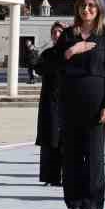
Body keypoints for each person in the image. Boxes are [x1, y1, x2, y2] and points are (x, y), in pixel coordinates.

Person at [58, 0, 105, 209]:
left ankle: (92, 202)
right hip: (70, 102)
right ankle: (74, 201)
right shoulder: (67, 35)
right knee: (71, 155)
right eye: (83, 5)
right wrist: (72, 50)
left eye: (92, 6)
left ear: (99, 9)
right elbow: (54, 66)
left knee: (93, 154)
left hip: (96, 104)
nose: (87, 9)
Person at [34, 21, 66, 186]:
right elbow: (39, 69)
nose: (57, 35)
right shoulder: (47, 53)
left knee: (63, 140)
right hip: (48, 101)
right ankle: (49, 176)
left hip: (66, 100)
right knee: (49, 139)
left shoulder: (70, 53)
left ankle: (63, 175)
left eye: (60, 32)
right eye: (54, 32)